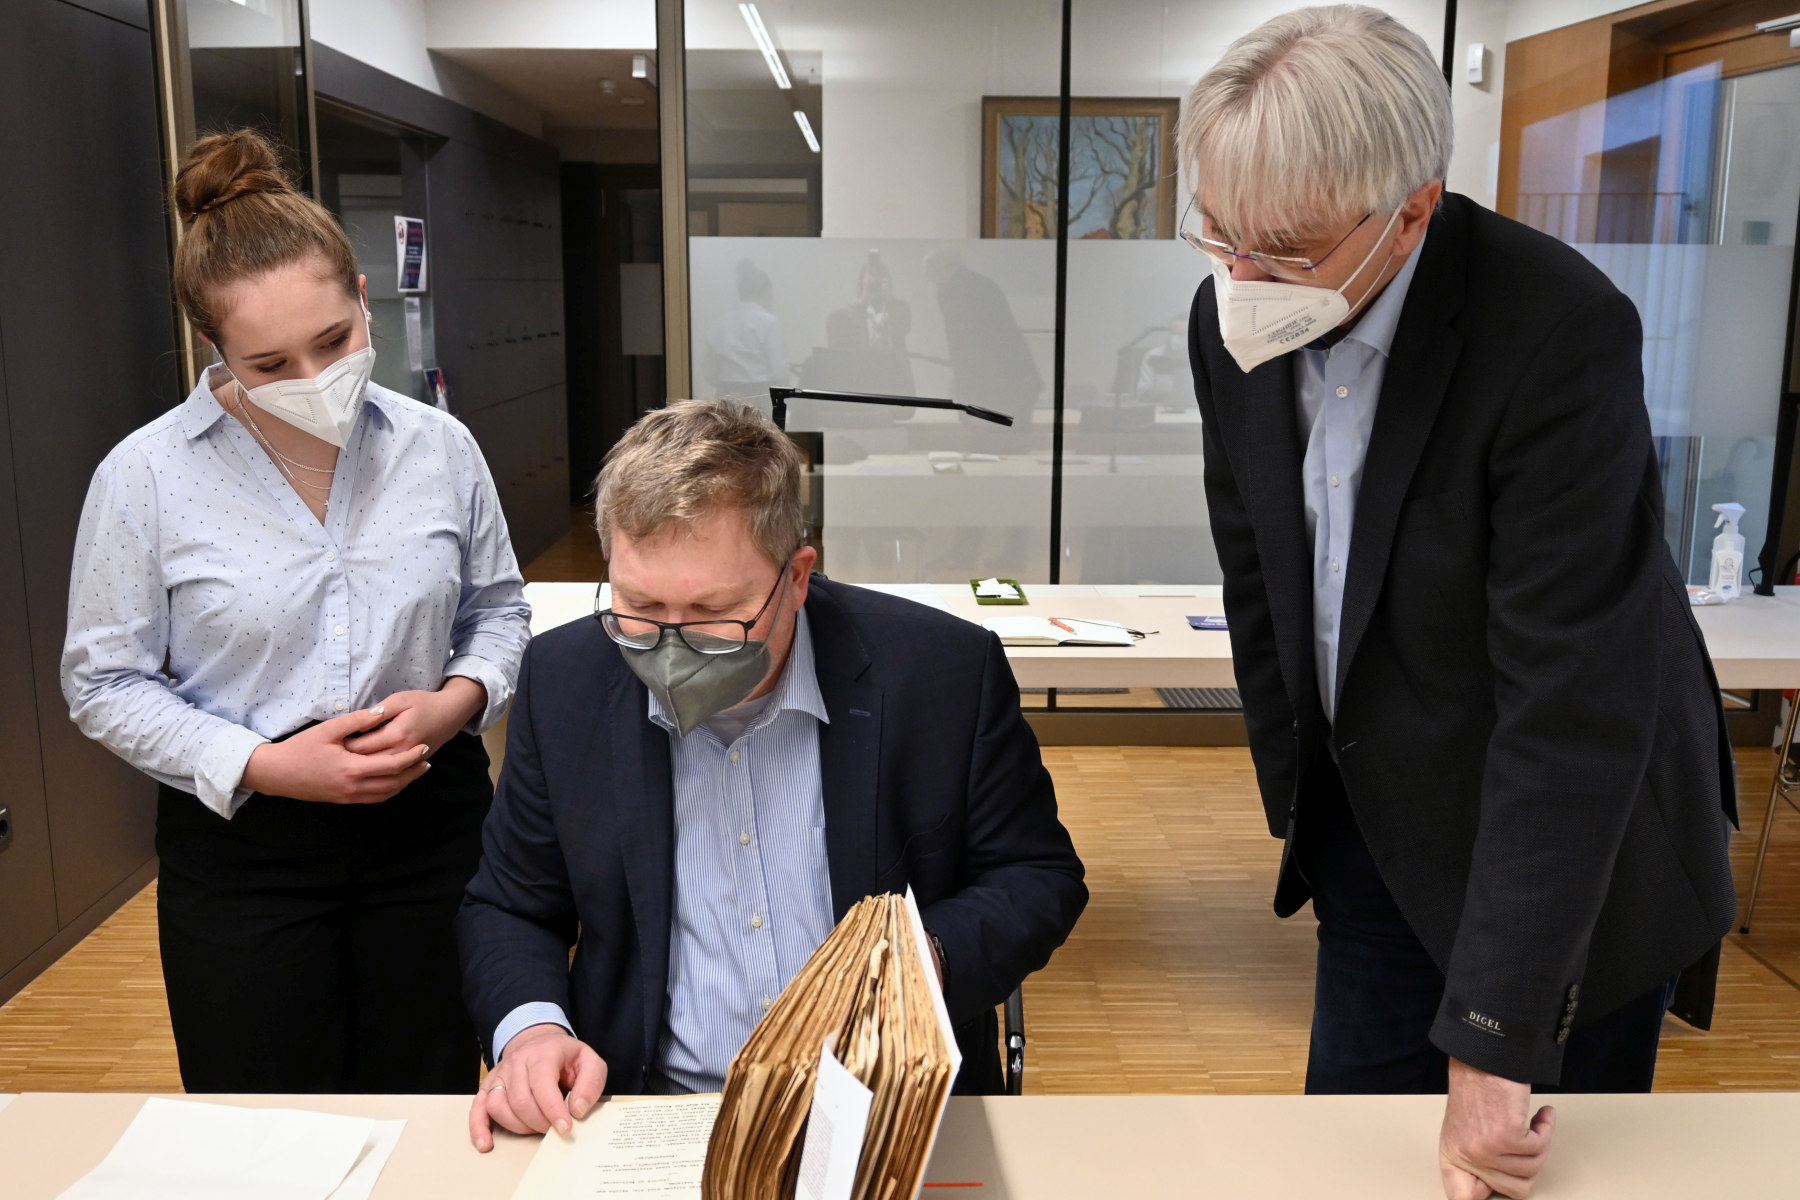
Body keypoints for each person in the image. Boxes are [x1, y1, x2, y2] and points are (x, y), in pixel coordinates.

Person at [1179, 8, 1734, 1199]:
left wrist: (1496, 1029)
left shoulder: (1556, 333)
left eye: (1283, 246)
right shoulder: (1229, 319)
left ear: (1413, 209)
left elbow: (1571, 702)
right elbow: (1260, 571)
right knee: (1356, 1155)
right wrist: (1307, 809)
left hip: (1566, 847)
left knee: (1517, 1167)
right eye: (1216, 234)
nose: (1240, 279)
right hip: (1375, 810)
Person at [457, 399, 1086, 1149]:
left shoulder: (940, 672)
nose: (671, 646)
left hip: (881, 1109)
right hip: (648, 1114)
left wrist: (927, 963)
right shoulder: (567, 683)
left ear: (796, 576)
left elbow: (1037, 875)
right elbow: (511, 906)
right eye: (640, 603)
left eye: (714, 612)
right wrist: (530, 1033)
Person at [61, 130, 529, 1094]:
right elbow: (102, 683)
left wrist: (454, 705)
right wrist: (267, 764)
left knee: (431, 1098)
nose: (314, 380)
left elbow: (499, 610)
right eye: (269, 364)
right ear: (211, 347)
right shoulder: (145, 477)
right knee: (262, 1118)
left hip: (430, 824)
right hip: (245, 849)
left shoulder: (437, 449)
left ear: (363, 295)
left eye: (334, 342)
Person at [704, 258, 790, 402]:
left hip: (725, 394)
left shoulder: (721, 322)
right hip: (759, 395)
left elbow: (708, 367)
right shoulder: (769, 323)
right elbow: (778, 371)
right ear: (766, 291)